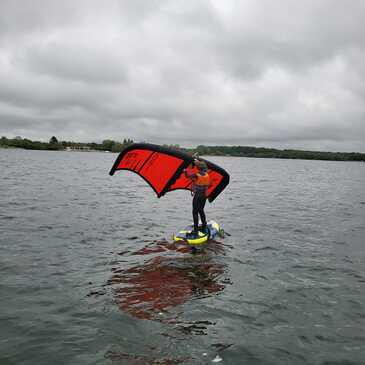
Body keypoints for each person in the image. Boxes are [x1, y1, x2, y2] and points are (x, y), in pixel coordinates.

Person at [184, 158, 211, 238]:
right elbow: (203, 167)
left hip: (198, 196)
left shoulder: (196, 175)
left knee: (195, 212)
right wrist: (197, 161)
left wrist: (185, 170)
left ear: (198, 168)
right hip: (204, 196)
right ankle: (204, 226)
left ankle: (196, 231)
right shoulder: (207, 174)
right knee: (201, 210)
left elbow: (187, 176)